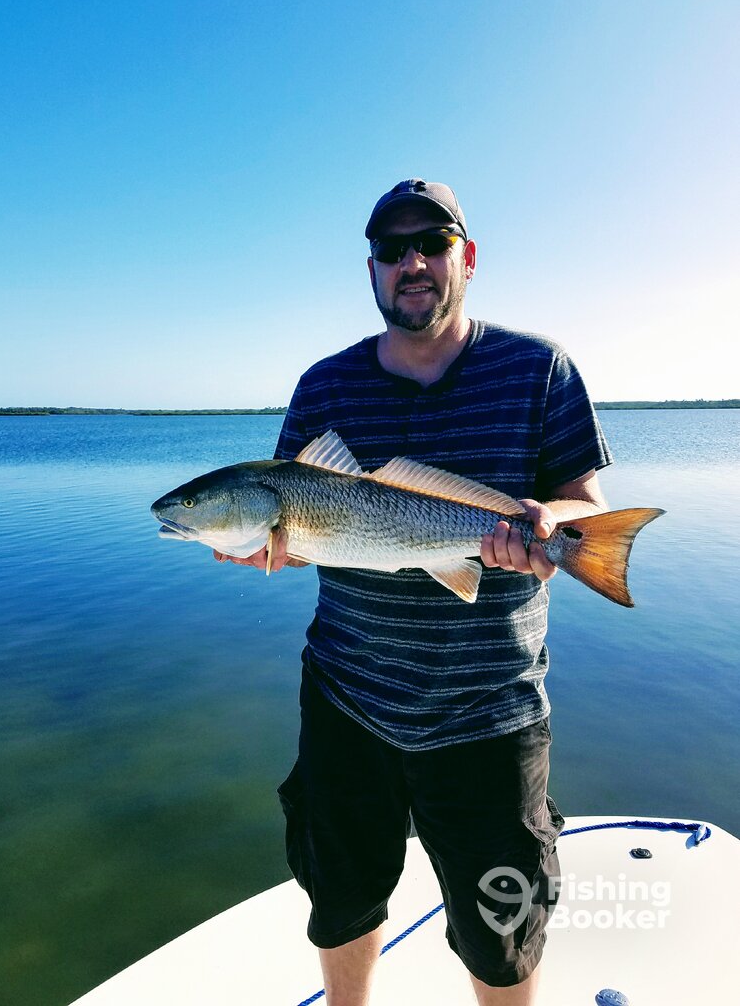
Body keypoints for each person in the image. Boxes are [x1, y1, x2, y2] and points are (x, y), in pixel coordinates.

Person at [214, 179, 612, 1006]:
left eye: (431, 243)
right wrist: (272, 551)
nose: (413, 263)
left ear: (466, 258)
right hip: (347, 701)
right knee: (341, 902)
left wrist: (550, 526)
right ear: (372, 270)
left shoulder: (541, 369)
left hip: (490, 710)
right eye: (393, 251)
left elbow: (589, 509)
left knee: (503, 932)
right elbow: (297, 512)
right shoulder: (324, 387)